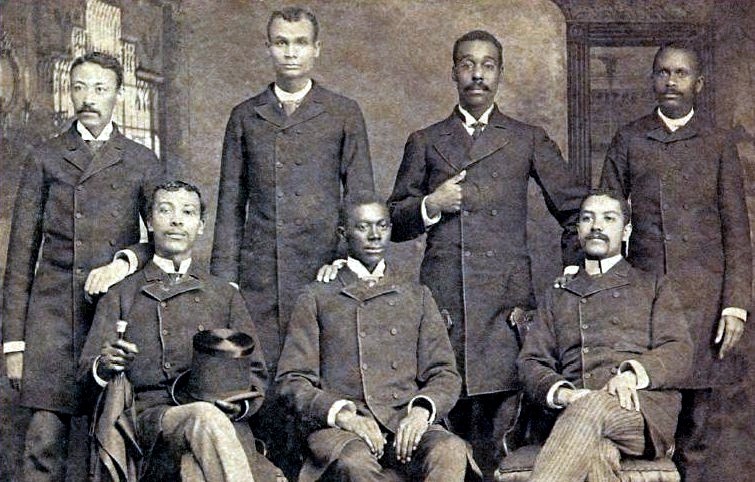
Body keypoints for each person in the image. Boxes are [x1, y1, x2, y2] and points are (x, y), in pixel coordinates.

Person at [385, 29, 587, 476]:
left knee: (501, 435)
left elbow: (577, 209)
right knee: (445, 426)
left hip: (505, 312)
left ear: (500, 72)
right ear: (453, 71)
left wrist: (573, 273)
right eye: (467, 64)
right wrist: (430, 205)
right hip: (444, 307)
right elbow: (392, 223)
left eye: (488, 65)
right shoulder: (426, 139)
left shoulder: (526, 138)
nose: (477, 74)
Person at [1, 51, 162, 481]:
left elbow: (164, 240)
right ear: (68, 91)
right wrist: (13, 344)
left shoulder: (141, 160)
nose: (88, 98)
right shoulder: (46, 157)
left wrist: (124, 261)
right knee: (43, 441)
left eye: (100, 88)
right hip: (50, 321)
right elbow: (19, 258)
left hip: (111, 317)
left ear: (119, 95)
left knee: (107, 441)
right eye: (79, 87)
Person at [599, 42, 752, 482]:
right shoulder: (629, 138)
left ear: (698, 84)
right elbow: (607, 214)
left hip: (704, 305)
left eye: (681, 73)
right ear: (652, 80)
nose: (671, 81)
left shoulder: (718, 142)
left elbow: (737, 231)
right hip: (644, 300)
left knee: (699, 425)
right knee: (646, 412)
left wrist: (735, 305)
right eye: (663, 72)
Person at [211, 6, 374, 377]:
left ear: (317, 48)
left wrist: (350, 260)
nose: (291, 52)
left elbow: (361, 198)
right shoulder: (245, 115)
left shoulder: (343, 113)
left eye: (300, 43)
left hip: (324, 268)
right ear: (267, 47)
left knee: (321, 371)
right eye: (281, 42)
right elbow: (229, 205)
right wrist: (224, 281)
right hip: (260, 275)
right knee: (260, 373)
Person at [78, 180, 277, 481]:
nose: (176, 220)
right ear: (149, 222)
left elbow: (257, 374)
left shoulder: (224, 294)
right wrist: (103, 367)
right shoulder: (122, 293)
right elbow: (83, 380)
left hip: (221, 422)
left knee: (196, 468)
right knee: (205, 417)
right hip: (151, 423)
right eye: (165, 210)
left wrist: (237, 406)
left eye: (187, 212)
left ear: (200, 226)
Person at [276, 194, 478, 481]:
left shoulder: (416, 295)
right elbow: (292, 380)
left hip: (404, 419)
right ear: (344, 234)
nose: (374, 236)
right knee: (354, 462)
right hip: (343, 427)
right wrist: (344, 416)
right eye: (363, 227)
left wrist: (421, 411)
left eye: (382, 226)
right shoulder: (318, 296)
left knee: (450, 449)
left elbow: (444, 372)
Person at [518, 190, 693, 481]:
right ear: (578, 231)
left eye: (608, 219)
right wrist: (565, 394)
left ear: (626, 231)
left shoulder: (652, 287)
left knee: (593, 407)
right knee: (599, 454)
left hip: (639, 412)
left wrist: (631, 375)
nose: (596, 226)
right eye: (588, 219)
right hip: (572, 415)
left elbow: (679, 351)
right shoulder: (558, 295)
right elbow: (531, 361)